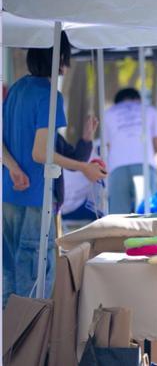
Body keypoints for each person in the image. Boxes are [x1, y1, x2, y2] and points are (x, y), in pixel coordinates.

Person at [3, 35, 106, 305]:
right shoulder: (49, 96)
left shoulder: (16, 90)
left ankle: (9, 339)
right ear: (58, 59)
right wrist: (84, 168)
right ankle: (32, 341)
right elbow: (40, 153)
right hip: (37, 195)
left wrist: (13, 168)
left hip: (9, 193)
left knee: (8, 270)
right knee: (35, 275)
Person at [104, 88, 157, 214]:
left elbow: (107, 145)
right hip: (144, 163)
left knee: (118, 215)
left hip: (117, 165)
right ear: (138, 99)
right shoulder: (149, 110)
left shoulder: (108, 113)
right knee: (147, 211)